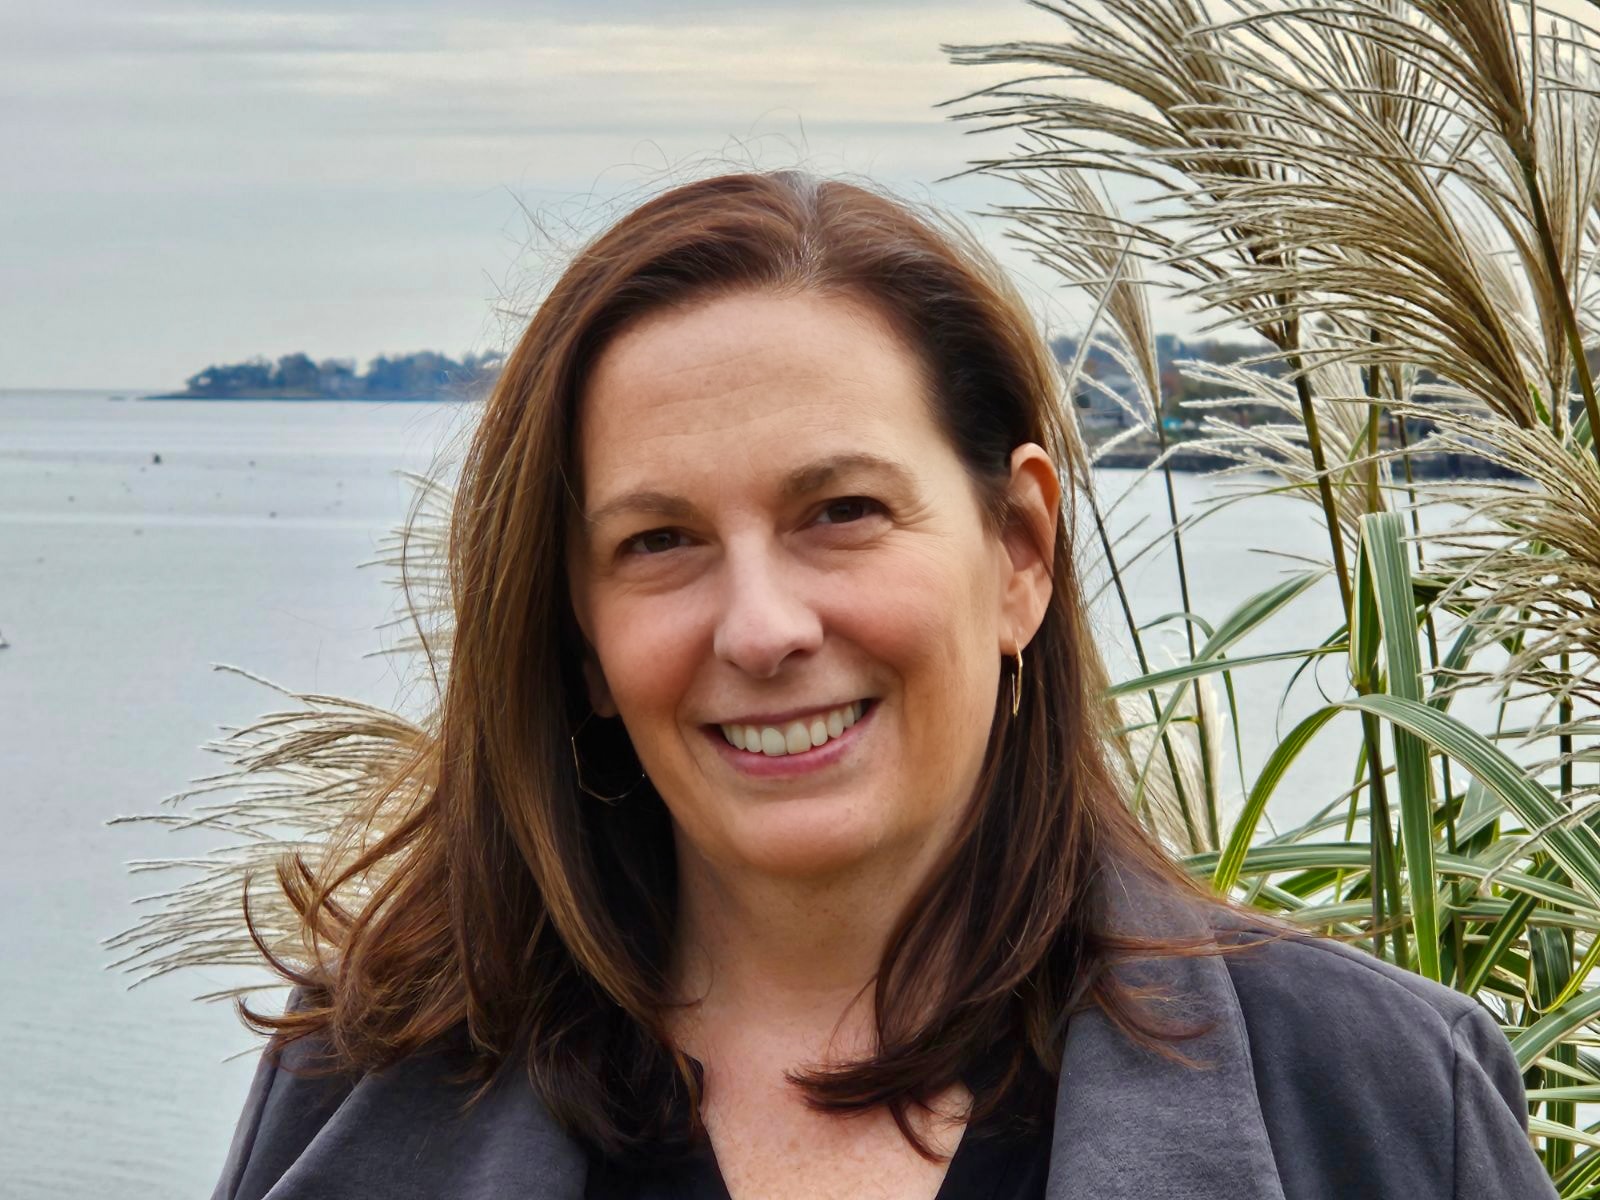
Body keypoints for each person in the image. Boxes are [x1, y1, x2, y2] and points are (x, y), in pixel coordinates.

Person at [210, 169, 1554, 1200]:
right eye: (658, 541)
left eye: (841, 510)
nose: (761, 625)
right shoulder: (353, 1091)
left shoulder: (1378, 1103)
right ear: (579, 642)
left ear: (1019, 550)